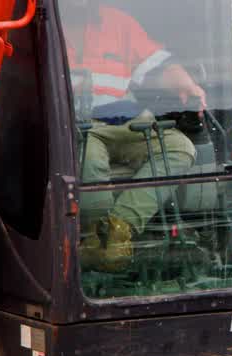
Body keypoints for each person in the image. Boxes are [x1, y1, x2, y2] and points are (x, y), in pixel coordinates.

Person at [60, 0, 207, 271]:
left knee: (180, 147)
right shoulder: (44, 27)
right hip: (81, 127)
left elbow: (158, 66)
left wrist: (184, 82)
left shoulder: (118, 23)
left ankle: (116, 230)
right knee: (85, 158)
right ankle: (99, 243)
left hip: (130, 124)